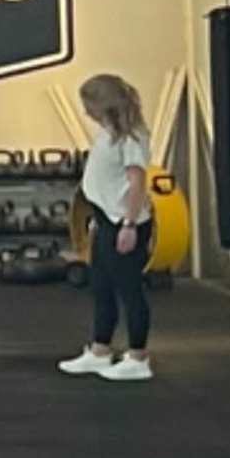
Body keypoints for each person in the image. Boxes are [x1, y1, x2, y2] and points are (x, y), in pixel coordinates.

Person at [61, 73, 158, 380]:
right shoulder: (109, 132)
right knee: (101, 287)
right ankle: (101, 351)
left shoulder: (132, 137)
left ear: (103, 103)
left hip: (125, 223)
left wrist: (128, 225)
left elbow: (137, 182)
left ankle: (138, 358)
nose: (85, 110)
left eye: (88, 104)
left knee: (129, 291)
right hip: (105, 219)